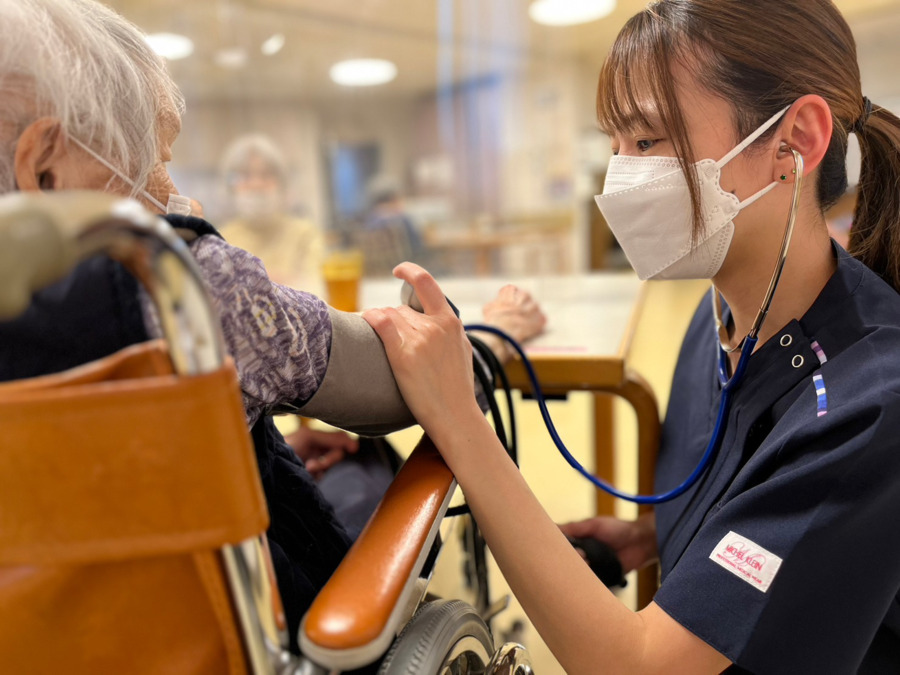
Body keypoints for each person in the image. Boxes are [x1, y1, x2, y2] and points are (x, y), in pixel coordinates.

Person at [364, 1, 900, 672]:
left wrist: (458, 418)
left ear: (796, 140)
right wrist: (649, 536)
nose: (621, 178)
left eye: (648, 141)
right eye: (614, 144)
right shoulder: (721, 322)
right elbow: (777, 513)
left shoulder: (872, 401)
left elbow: (639, 666)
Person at [0, 0, 545, 653]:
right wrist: (486, 335)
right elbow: (403, 378)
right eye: (152, 160)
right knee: (368, 464)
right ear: (44, 168)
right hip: (236, 641)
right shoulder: (172, 281)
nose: (179, 194)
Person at [219, 133, 326, 294]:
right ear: (230, 187)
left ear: (282, 183)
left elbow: (318, 289)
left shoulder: (304, 234)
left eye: (266, 174)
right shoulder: (220, 239)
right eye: (245, 176)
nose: (256, 184)